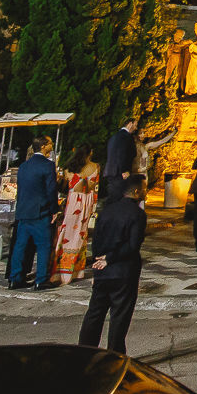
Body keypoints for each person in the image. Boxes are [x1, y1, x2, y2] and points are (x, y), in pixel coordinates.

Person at [79, 175, 148, 354]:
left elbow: (96, 241)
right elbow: (133, 246)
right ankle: (115, 354)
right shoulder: (137, 214)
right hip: (123, 272)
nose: (146, 191)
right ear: (136, 191)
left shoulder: (107, 211)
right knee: (119, 317)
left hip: (102, 271)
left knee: (95, 313)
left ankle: (84, 352)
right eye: (144, 188)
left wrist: (98, 262)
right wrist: (110, 258)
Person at [8, 137, 59, 290]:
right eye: (49, 144)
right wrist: (54, 210)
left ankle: (15, 278)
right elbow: (51, 190)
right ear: (44, 147)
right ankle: (41, 279)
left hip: (23, 211)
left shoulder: (24, 166)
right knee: (43, 245)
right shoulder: (48, 166)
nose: (51, 145)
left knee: (20, 246)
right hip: (40, 212)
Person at [51, 149, 101, 285]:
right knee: (80, 235)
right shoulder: (95, 167)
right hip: (86, 202)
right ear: (90, 153)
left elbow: (66, 187)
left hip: (73, 201)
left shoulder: (69, 168)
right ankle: (75, 271)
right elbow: (94, 187)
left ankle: (60, 271)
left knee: (66, 232)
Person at [102, 116, 137, 199]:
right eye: (135, 125)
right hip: (121, 174)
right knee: (120, 199)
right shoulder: (126, 137)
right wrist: (125, 170)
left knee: (113, 198)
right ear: (130, 124)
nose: (136, 128)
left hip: (111, 172)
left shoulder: (114, 137)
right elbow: (122, 154)